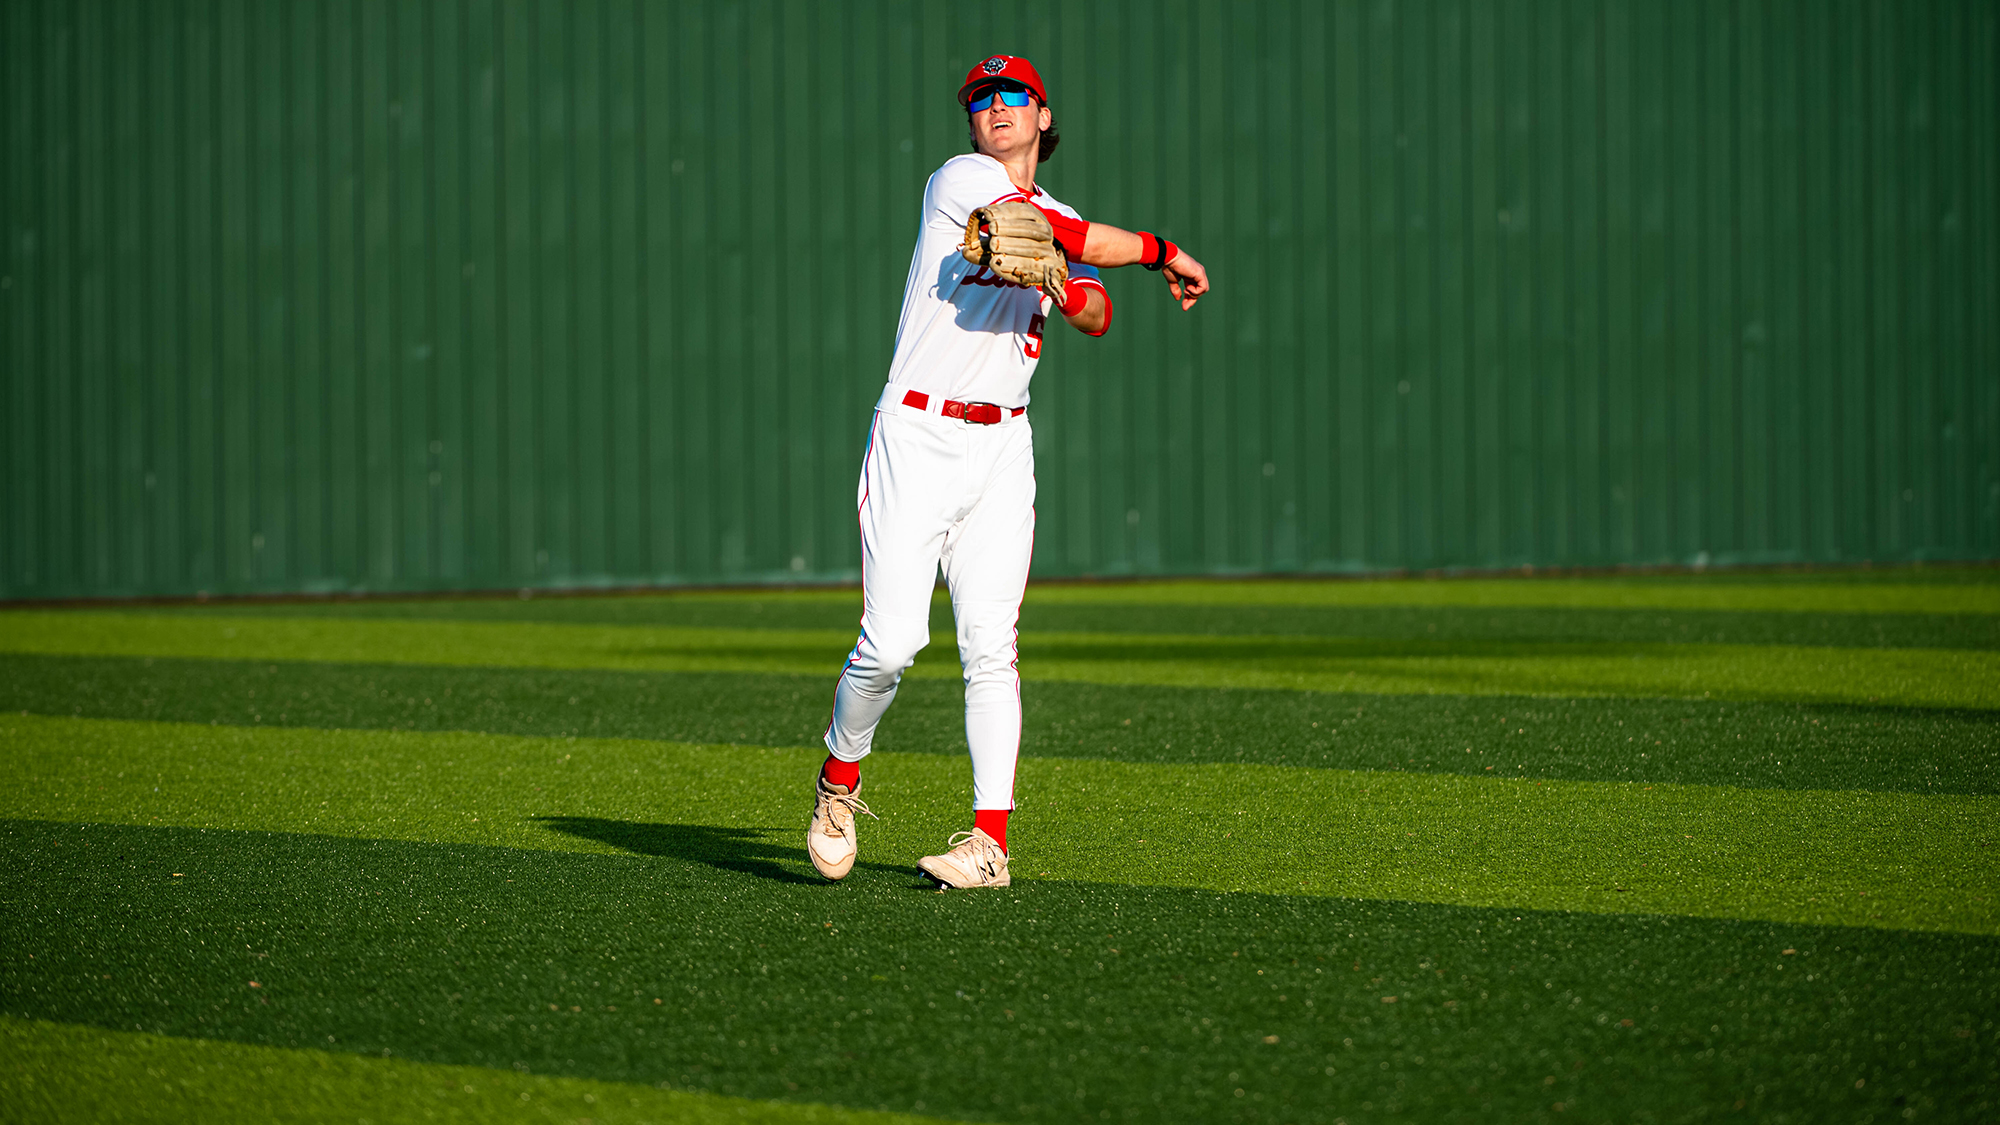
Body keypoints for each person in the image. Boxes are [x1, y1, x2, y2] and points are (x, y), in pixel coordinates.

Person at [807, 54, 1210, 889]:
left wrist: (1067, 290)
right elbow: (1077, 241)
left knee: (993, 647)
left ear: (1043, 113)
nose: (994, 106)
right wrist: (1163, 250)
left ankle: (988, 842)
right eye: (980, 98)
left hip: (1002, 449)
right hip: (918, 432)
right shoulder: (960, 178)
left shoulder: (1057, 212)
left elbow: (1095, 312)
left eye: (1011, 94)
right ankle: (839, 781)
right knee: (890, 646)